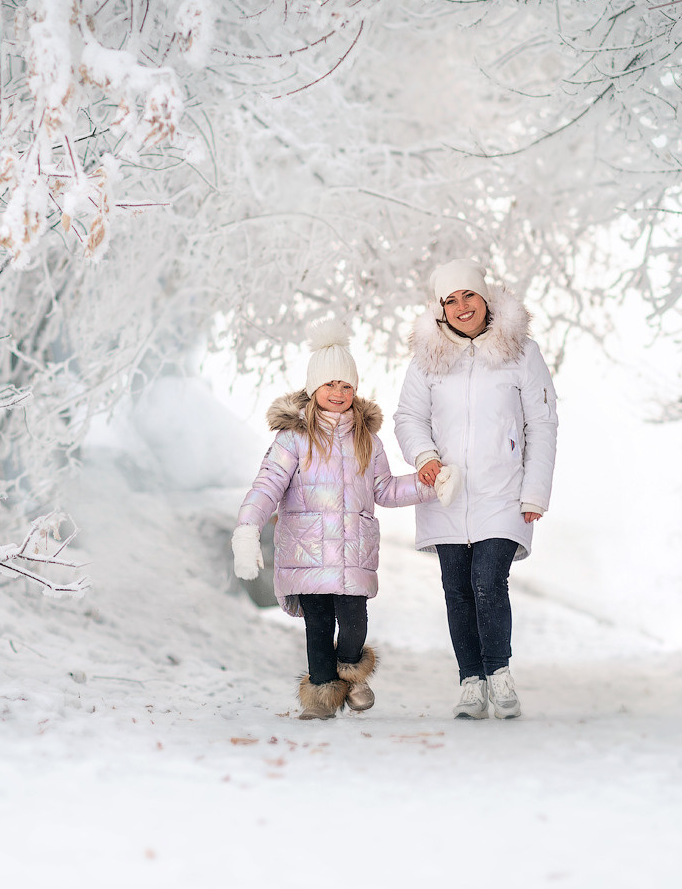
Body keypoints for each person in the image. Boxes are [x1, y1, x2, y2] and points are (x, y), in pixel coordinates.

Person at [233, 320, 457, 720]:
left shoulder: (367, 440)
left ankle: (350, 673)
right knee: (318, 626)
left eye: (346, 386)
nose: (338, 393)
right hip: (306, 554)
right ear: (314, 387)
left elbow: (385, 489)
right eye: (330, 384)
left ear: (355, 390)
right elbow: (267, 486)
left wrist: (427, 483)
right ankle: (321, 699)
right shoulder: (293, 438)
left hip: (353, 553)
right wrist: (248, 527)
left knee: (353, 624)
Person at [394, 260, 558, 720]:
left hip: (503, 491)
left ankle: (498, 674)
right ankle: (470, 682)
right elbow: (408, 417)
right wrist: (425, 457)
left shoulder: (522, 352)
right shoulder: (427, 359)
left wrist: (535, 492)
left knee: (488, 579)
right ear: (441, 310)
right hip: (447, 493)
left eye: (469, 295)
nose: (462, 306)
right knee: (456, 587)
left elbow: (542, 423)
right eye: (451, 300)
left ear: (485, 298)